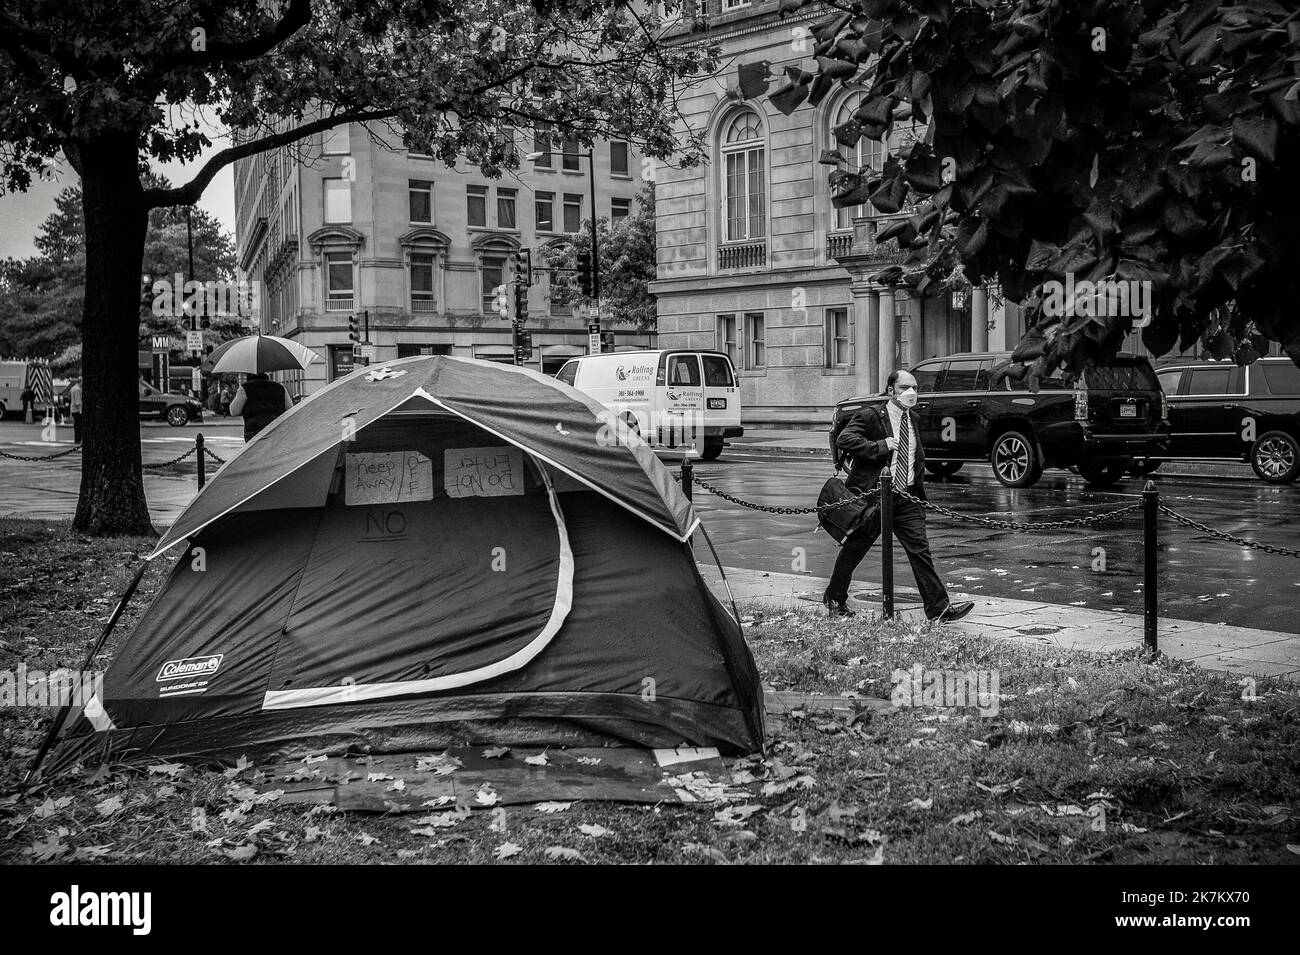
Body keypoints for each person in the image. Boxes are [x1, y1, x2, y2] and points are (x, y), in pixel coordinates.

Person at [824, 369, 975, 623]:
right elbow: (845, 439)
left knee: (920, 551)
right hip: (875, 498)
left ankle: (938, 609)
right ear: (891, 391)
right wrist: (880, 446)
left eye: (915, 387)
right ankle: (835, 597)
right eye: (905, 387)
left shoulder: (912, 418)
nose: (911, 392)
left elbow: (916, 457)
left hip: (906, 498)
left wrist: (917, 489)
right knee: (855, 548)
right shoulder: (872, 416)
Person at [228, 372, 293, 441]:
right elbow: (290, 409)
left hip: (254, 433)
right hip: (277, 431)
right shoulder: (280, 387)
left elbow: (234, 411)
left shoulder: (245, 388)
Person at [69, 378, 83, 443]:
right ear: (81, 382)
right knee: (79, 426)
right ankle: (78, 439)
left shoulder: (73, 388)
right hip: (77, 410)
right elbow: (78, 402)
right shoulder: (78, 389)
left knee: (76, 426)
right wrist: (81, 411)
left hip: (73, 409)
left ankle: (77, 439)